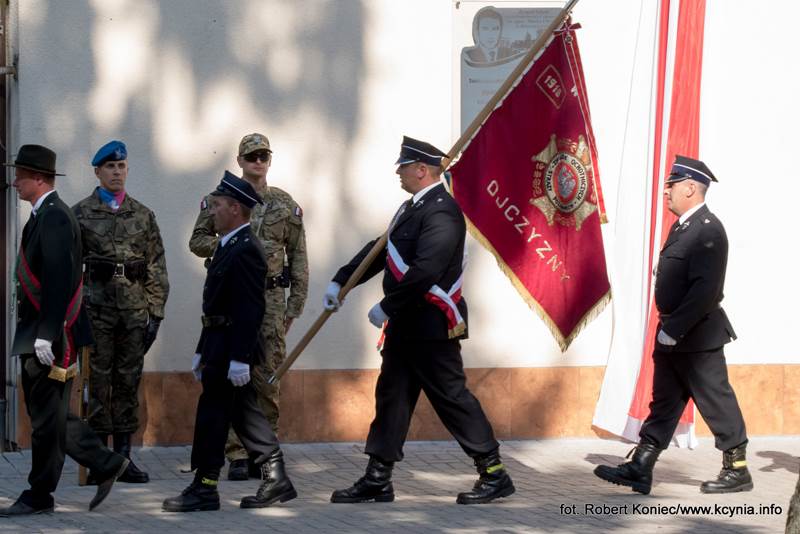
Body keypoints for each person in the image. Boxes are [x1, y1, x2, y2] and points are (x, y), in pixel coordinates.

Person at [323, 136, 515, 505]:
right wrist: (341, 281)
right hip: (406, 328)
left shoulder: (443, 211)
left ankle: (493, 472)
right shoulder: (409, 209)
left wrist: (388, 306)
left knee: (451, 398)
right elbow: (380, 250)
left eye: (403, 168)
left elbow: (427, 268)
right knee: (392, 397)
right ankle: (378, 477)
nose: (398, 174)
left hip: (430, 325)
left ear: (421, 169)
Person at [593, 155, 752, 495]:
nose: (666, 193)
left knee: (715, 399)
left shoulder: (708, 229)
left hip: (696, 335)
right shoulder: (684, 227)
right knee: (664, 402)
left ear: (691, 188)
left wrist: (675, 328)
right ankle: (641, 466)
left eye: (672, 186)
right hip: (673, 334)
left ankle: (737, 469)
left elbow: (707, 290)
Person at [1, 144, 129, 516]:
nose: (15, 183)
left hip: (50, 338)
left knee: (45, 422)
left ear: (38, 179)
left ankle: (39, 495)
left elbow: (58, 277)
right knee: (51, 416)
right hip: (46, 332)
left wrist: (46, 332)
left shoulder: (54, 217)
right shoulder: (45, 214)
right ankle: (105, 463)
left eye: (20, 177)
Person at [163, 172, 297, 512]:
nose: (212, 211)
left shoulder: (247, 250)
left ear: (236, 209)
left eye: (218, 205)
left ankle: (206, 486)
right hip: (219, 345)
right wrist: (201, 350)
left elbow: (250, 308)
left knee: (215, 415)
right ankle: (274, 476)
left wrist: (239, 357)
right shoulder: (229, 246)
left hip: (232, 347)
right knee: (241, 414)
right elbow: (216, 305)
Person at [189, 133, 308, 481]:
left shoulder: (285, 204)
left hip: (271, 301)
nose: (258, 161)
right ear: (240, 160)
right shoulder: (220, 200)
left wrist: (294, 307)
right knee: (230, 373)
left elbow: (298, 256)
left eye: (264, 156)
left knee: (267, 375)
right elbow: (196, 241)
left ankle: (264, 452)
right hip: (233, 297)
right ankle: (237, 453)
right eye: (251, 156)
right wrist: (228, 248)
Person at [72, 140, 169, 484]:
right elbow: (69, 268)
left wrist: (155, 315)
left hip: (132, 312)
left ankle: (124, 460)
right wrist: (72, 316)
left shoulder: (143, 215)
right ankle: (101, 461)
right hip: (94, 312)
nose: (116, 172)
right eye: (110, 167)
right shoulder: (80, 214)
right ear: (97, 172)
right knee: (97, 384)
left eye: (121, 166)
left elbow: (156, 265)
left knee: (127, 382)